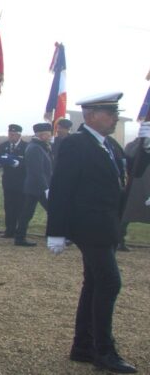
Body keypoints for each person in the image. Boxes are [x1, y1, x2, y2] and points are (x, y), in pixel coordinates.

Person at [46, 93, 146, 374]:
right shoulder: (76, 144)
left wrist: (146, 147)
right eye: (109, 113)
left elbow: (133, 172)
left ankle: (83, 346)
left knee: (94, 283)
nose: (115, 118)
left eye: (115, 113)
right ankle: (103, 350)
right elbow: (61, 187)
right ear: (90, 116)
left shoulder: (110, 145)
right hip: (89, 226)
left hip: (108, 225)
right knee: (109, 282)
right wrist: (56, 231)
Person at [17, 123, 52, 246]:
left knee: (27, 213)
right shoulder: (35, 148)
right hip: (38, 187)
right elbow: (37, 171)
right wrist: (46, 189)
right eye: (48, 134)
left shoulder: (37, 146)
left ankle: (20, 237)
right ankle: (55, 236)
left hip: (34, 186)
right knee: (53, 211)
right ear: (42, 135)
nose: (50, 137)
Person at [0, 123, 27, 240]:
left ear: (19, 135)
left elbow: (29, 163)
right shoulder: (3, 146)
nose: (11, 136)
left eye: (13, 134)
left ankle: (19, 230)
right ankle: (9, 230)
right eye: (9, 134)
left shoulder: (26, 146)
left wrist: (19, 164)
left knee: (20, 206)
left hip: (21, 181)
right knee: (8, 206)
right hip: (8, 181)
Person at [119, 123, 150, 251]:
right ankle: (119, 239)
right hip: (137, 184)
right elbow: (130, 156)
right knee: (126, 214)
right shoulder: (133, 145)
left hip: (145, 183)